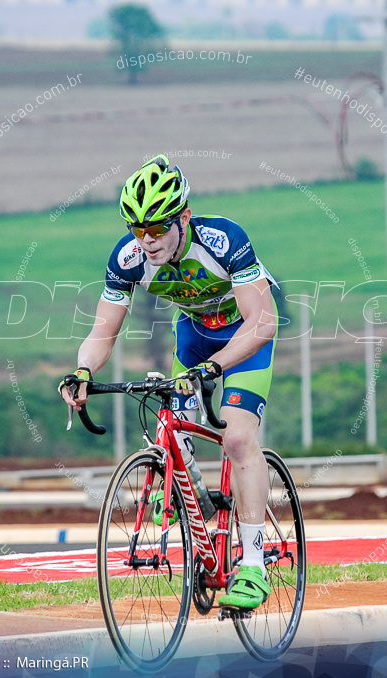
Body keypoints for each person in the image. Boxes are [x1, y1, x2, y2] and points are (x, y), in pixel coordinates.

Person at [58, 154, 278, 611]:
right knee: (174, 432)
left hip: (244, 338)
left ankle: (253, 565)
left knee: (237, 439)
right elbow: (103, 332)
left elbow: (263, 321)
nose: (148, 241)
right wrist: (83, 371)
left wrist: (217, 368)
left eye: (158, 228)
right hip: (194, 337)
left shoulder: (223, 240)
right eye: (138, 229)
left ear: (184, 218)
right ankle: (193, 507)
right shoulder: (128, 258)